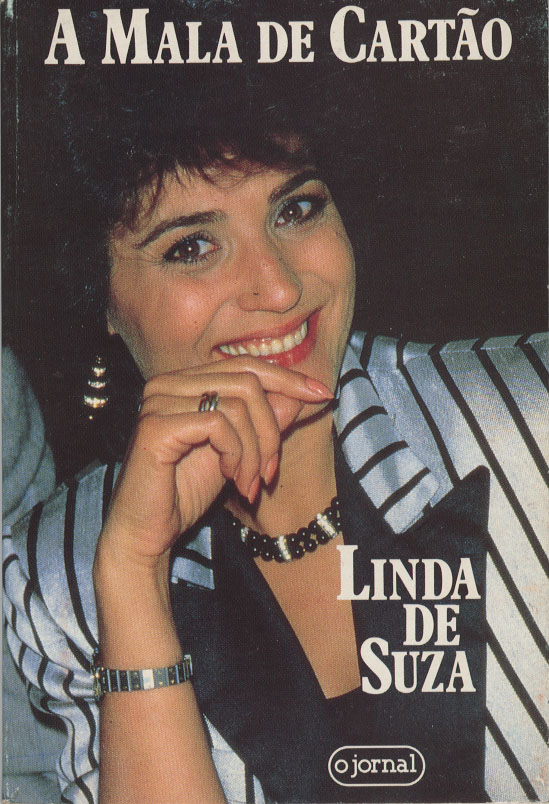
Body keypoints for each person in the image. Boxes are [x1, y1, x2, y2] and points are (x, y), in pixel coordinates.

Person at [3, 34, 547, 804]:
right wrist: (131, 574)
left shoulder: (528, 412)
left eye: (296, 209)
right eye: (192, 246)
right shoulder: (60, 576)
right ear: (101, 302)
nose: (280, 287)